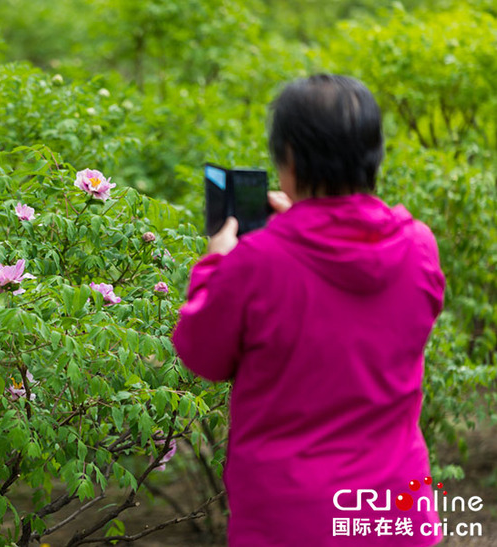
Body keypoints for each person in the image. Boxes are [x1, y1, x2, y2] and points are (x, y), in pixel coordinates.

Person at [171, 74, 445, 546]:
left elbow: (202, 354)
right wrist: (301, 221)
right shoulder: (418, 245)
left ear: (289, 157)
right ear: (373, 152)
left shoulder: (256, 261)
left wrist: (216, 260)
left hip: (293, 518)